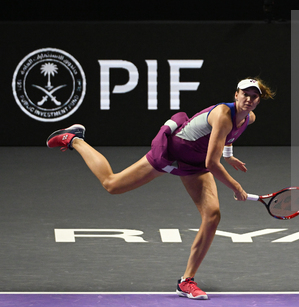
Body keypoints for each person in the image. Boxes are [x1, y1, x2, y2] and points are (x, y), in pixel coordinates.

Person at [46, 78, 275, 300]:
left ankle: (187, 281)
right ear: (236, 94)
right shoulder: (224, 115)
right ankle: (75, 139)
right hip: (172, 152)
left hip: (194, 163)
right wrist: (235, 186)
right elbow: (211, 164)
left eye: (254, 97)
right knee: (112, 184)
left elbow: (226, 139)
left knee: (212, 216)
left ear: (258, 101)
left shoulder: (249, 118)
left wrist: (229, 155)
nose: (249, 99)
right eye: (245, 94)